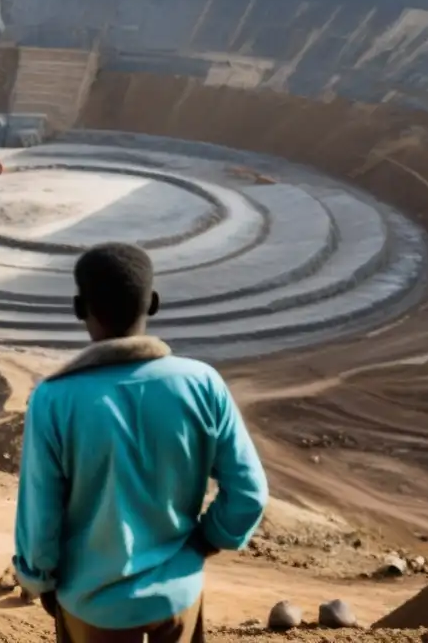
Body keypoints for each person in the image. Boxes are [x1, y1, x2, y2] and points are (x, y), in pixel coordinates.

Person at [13, 243, 268, 643]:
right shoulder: (202, 383)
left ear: (80, 308)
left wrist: (39, 580)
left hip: (91, 604)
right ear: (153, 303)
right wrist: (204, 542)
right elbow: (249, 493)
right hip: (177, 595)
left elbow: (39, 513)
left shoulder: (54, 400)